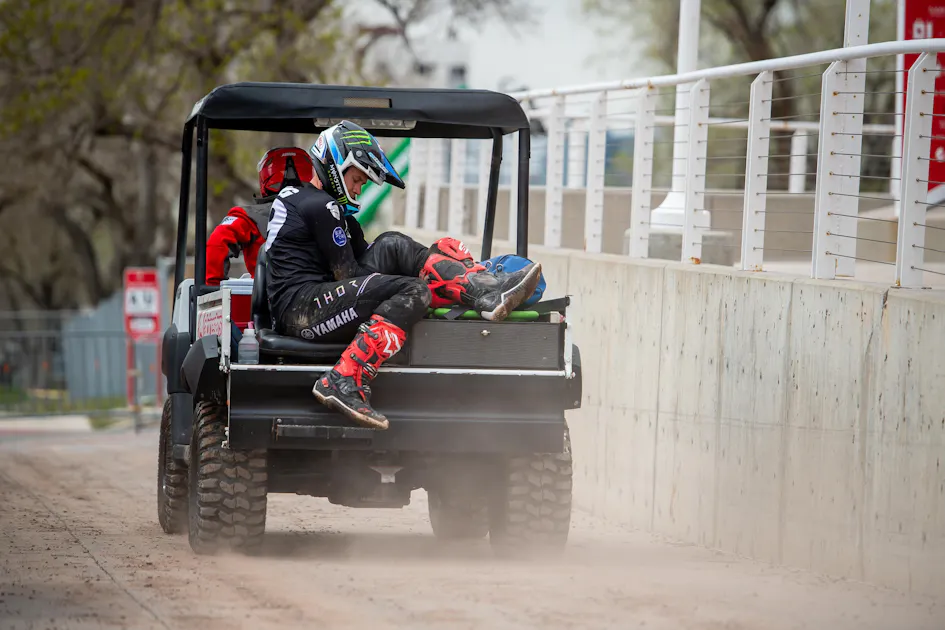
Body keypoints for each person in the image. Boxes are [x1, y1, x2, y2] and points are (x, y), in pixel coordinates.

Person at [262, 120, 542, 430]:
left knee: (391, 243)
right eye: (357, 179)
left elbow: (366, 266)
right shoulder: (320, 205)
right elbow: (349, 276)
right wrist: (419, 284)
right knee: (413, 291)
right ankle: (343, 379)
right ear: (335, 165)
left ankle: (482, 291)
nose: (357, 189)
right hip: (301, 309)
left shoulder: (315, 203)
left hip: (310, 302)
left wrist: (421, 267)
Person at [205, 146, 316, 286]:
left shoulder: (249, 216)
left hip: (268, 295)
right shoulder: (327, 210)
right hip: (318, 292)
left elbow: (217, 241)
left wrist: (213, 286)